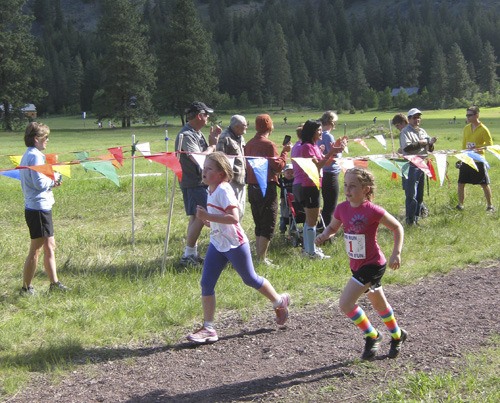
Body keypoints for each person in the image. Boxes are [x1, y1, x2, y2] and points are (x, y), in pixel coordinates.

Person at [186, 152, 290, 344]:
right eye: (204, 168)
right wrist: (207, 221)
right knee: (206, 283)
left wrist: (209, 217)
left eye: (209, 169)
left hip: (234, 243)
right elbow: (219, 220)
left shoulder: (224, 190)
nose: (204, 171)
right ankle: (208, 327)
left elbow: (233, 218)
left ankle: (278, 301)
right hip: (218, 243)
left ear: (221, 174)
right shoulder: (211, 189)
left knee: (250, 278)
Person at [315, 167, 406, 360]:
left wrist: (396, 253)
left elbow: (397, 227)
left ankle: (372, 336)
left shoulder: (373, 210)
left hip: (373, 264)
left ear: (366, 189)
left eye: (353, 186)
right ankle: (398, 336)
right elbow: (333, 226)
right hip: (356, 264)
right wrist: (324, 235)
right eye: (346, 185)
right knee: (379, 304)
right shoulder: (342, 208)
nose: (348, 190)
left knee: (346, 304)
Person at [19, 122, 68, 295]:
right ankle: (26, 288)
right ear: (36, 139)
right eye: (45, 137)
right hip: (38, 208)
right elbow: (39, 183)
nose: (47, 140)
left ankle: (54, 284)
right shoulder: (36, 156)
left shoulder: (29, 155)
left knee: (50, 245)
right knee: (36, 250)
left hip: (38, 207)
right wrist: (55, 180)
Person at [175, 101, 221, 267]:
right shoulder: (187, 135)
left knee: (196, 216)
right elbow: (199, 159)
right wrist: (212, 146)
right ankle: (188, 255)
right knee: (202, 216)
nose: (208, 117)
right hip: (193, 182)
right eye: (206, 114)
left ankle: (191, 254)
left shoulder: (197, 133)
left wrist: (212, 142)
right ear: (199, 115)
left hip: (198, 182)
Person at [294, 119, 344, 259]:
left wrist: (335, 151)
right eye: (319, 130)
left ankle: (309, 249)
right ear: (312, 132)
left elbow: (324, 161)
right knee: (312, 220)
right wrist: (330, 153)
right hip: (308, 186)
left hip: (314, 185)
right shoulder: (306, 147)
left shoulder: (314, 146)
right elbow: (316, 166)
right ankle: (311, 252)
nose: (321, 132)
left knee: (310, 220)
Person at [245, 114, 290, 265]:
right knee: (268, 222)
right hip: (266, 186)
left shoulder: (249, 144)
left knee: (259, 221)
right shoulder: (269, 145)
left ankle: (259, 256)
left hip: (252, 186)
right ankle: (261, 258)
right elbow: (277, 167)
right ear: (270, 127)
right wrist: (284, 152)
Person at [399, 108, 437, 225]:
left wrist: (430, 144)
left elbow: (429, 149)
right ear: (409, 119)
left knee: (420, 194)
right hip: (411, 165)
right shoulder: (405, 132)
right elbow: (407, 148)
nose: (417, 120)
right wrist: (422, 143)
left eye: (418, 117)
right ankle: (409, 220)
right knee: (411, 194)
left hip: (422, 164)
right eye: (414, 117)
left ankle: (416, 218)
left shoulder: (422, 131)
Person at [457, 106, 494, 212]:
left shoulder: (484, 129)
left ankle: (490, 206)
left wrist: (477, 147)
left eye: (470, 115)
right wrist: (462, 156)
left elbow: (489, 145)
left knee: (484, 184)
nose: (467, 117)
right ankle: (460, 205)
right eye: (466, 115)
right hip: (467, 159)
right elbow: (464, 144)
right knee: (461, 183)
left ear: (477, 115)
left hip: (478, 160)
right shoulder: (466, 128)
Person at [317, 111, 348, 227]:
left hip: (322, 171)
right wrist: (342, 147)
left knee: (326, 203)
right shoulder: (327, 135)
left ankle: (322, 227)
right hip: (330, 172)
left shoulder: (318, 135)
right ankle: (326, 232)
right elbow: (334, 154)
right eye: (335, 122)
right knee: (330, 205)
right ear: (331, 122)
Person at [216, 115, 248, 217]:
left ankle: (236, 231)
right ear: (236, 127)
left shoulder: (240, 137)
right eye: (244, 126)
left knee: (241, 210)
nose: (246, 127)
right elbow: (219, 159)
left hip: (242, 179)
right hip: (231, 180)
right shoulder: (224, 138)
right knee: (232, 210)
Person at [278, 163, 294, 234]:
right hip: (284, 199)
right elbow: (276, 179)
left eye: (292, 172)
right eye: (288, 172)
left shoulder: (295, 180)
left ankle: (293, 227)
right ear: (284, 173)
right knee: (284, 213)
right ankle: (283, 227)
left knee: (293, 213)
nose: (290, 174)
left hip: (294, 199)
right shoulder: (282, 180)